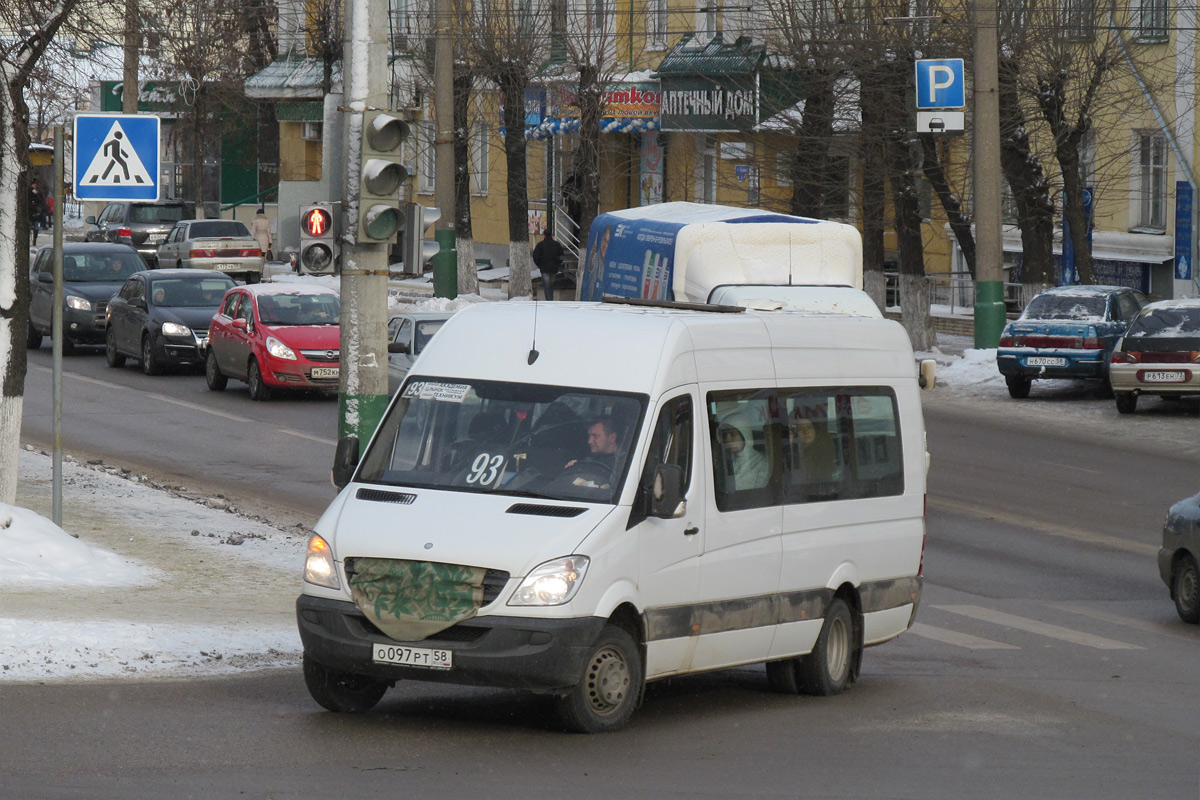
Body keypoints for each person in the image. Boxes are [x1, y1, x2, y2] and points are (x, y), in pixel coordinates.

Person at [718, 410, 768, 490]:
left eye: (733, 434)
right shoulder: (723, 461)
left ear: (745, 434)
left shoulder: (762, 463)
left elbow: (759, 495)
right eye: (724, 435)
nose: (727, 439)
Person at [532, 231, 564, 300]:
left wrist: (539, 264)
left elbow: (535, 256)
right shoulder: (557, 245)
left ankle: (549, 299)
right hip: (554, 268)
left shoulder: (540, 245)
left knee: (546, 285)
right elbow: (561, 256)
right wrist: (558, 264)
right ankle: (550, 298)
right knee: (551, 284)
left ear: (544, 236)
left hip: (544, 268)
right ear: (552, 235)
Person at [28, 179, 44, 246]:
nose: (34, 186)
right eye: (33, 184)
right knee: (29, 227)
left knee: (36, 227)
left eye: (35, 184)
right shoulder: (29, 192)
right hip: (30, 212)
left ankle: (34, 240)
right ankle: (29, 240)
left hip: (37, 213)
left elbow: (42, 201)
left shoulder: (39, 193)